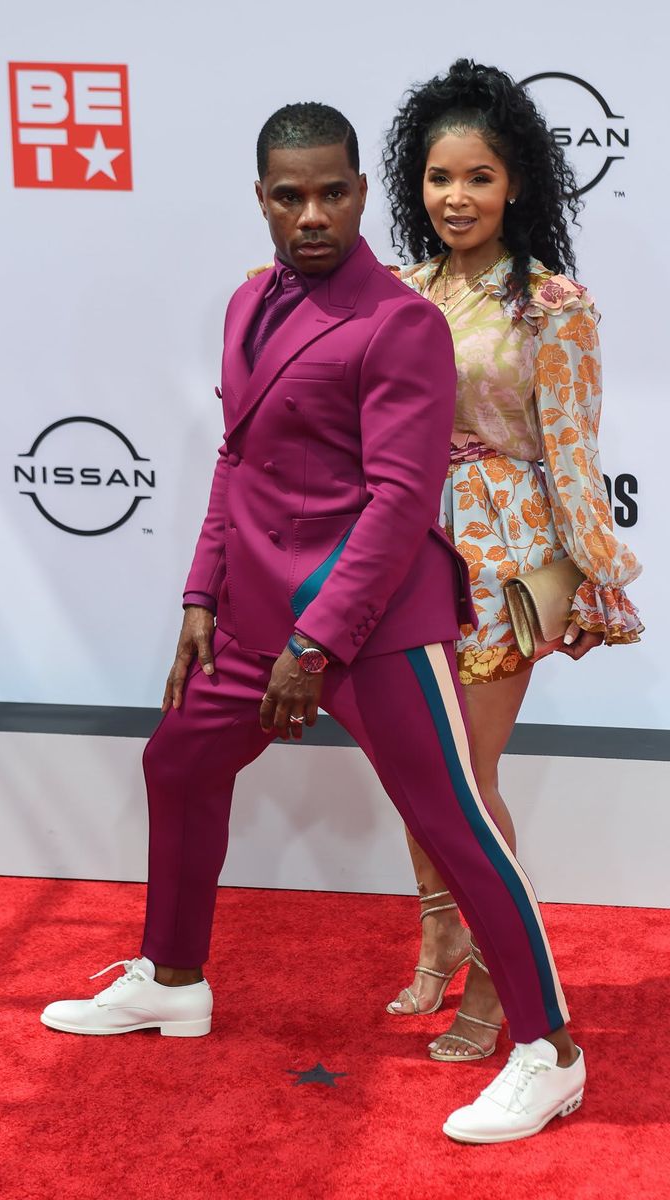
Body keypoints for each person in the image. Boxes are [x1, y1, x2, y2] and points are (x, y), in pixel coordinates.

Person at [42, 101, 587, 1144]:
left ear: (361, 193)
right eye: (289, 196)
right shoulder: (249, 307)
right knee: (178, 766)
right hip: (255, 611)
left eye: (333, 192)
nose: (312, 214)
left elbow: (397, 503)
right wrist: (202, 597)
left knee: (454, 822)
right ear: (261, 200)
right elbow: (236, 461)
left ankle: (550, 1050)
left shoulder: (400, 321)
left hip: (370, 621)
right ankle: (171, 977)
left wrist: (315, 642)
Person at [381, 60, 643, 1061]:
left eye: (479, 177)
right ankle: (443, 925)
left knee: (464, 781)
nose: (457, 197)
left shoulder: (555, 306)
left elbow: (574, 453)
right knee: (418, 772)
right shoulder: (397, 291)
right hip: (406, 549)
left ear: (517, 183)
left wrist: (595, 577)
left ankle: (499, 980)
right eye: (441, 177)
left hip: (508, 561)